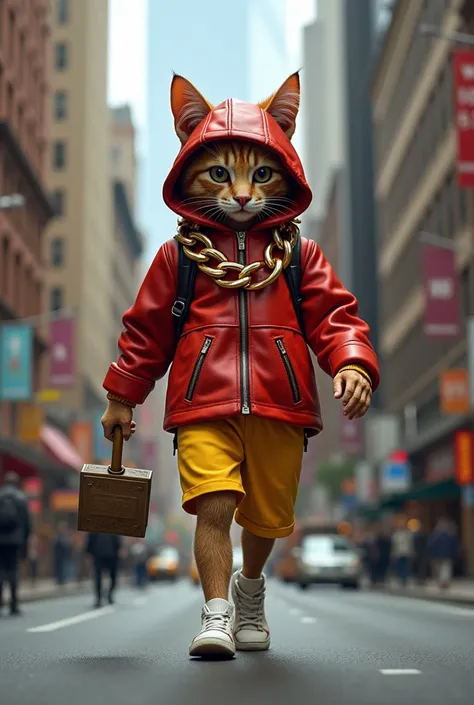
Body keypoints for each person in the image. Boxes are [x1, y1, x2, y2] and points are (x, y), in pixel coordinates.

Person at [100, 72, 379, 658]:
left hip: (281, 404)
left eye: (262, 174)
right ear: (190, 165)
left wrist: (351, 361)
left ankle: (250, 589)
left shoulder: (299, 254)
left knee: (267, 519)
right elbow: (147, 329)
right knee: (215, 501)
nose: (245, 193)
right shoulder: (179, 256)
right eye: (222, 174)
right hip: (204, 401)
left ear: (284, 166)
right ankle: (218, 613)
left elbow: (335, 317)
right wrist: (123, 395)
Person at [0, 472, 31, 616]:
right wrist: (25, 546)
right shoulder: (21, 498)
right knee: (13, 571)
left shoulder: (0, 496)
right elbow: (26, 524)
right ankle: (13, 604)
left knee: (1, 570)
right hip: (15, 541)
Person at [86, 532, 122, 608]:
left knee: (113, 576)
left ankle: (109, 595)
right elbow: (91, 538)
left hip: (112, 555)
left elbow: (118, 538)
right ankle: (99, 598)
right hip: (98, 554)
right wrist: (89, 552)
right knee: (98, 577)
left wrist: (120, 548)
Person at [428, 518, 458, 589]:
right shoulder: (435, 536)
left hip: (445, 555)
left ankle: (444, 582)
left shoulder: (448, 536)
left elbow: (453, 546)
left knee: (445, 569)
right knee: (442, 569)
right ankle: (442, 582)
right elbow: (431, 546)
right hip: (439, 555)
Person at [391, 520, 414, 587]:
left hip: (406, 553)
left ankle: (405, 578)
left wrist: (411, 553)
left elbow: (410, 544)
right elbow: (394, 545)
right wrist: (393, 554)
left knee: (406, 566)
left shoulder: (408, 534)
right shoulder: (396, 534)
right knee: (399, 566)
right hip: (398, 553)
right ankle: (401, 578)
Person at [52, 521, 73, 586]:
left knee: (63, 567)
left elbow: (67, 545)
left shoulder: (65, 537)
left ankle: (62, 579)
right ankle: (59, 579)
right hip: (57, 556)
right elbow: (53, 543)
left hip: (63, 556)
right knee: (58, 567)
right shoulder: (56, 536)